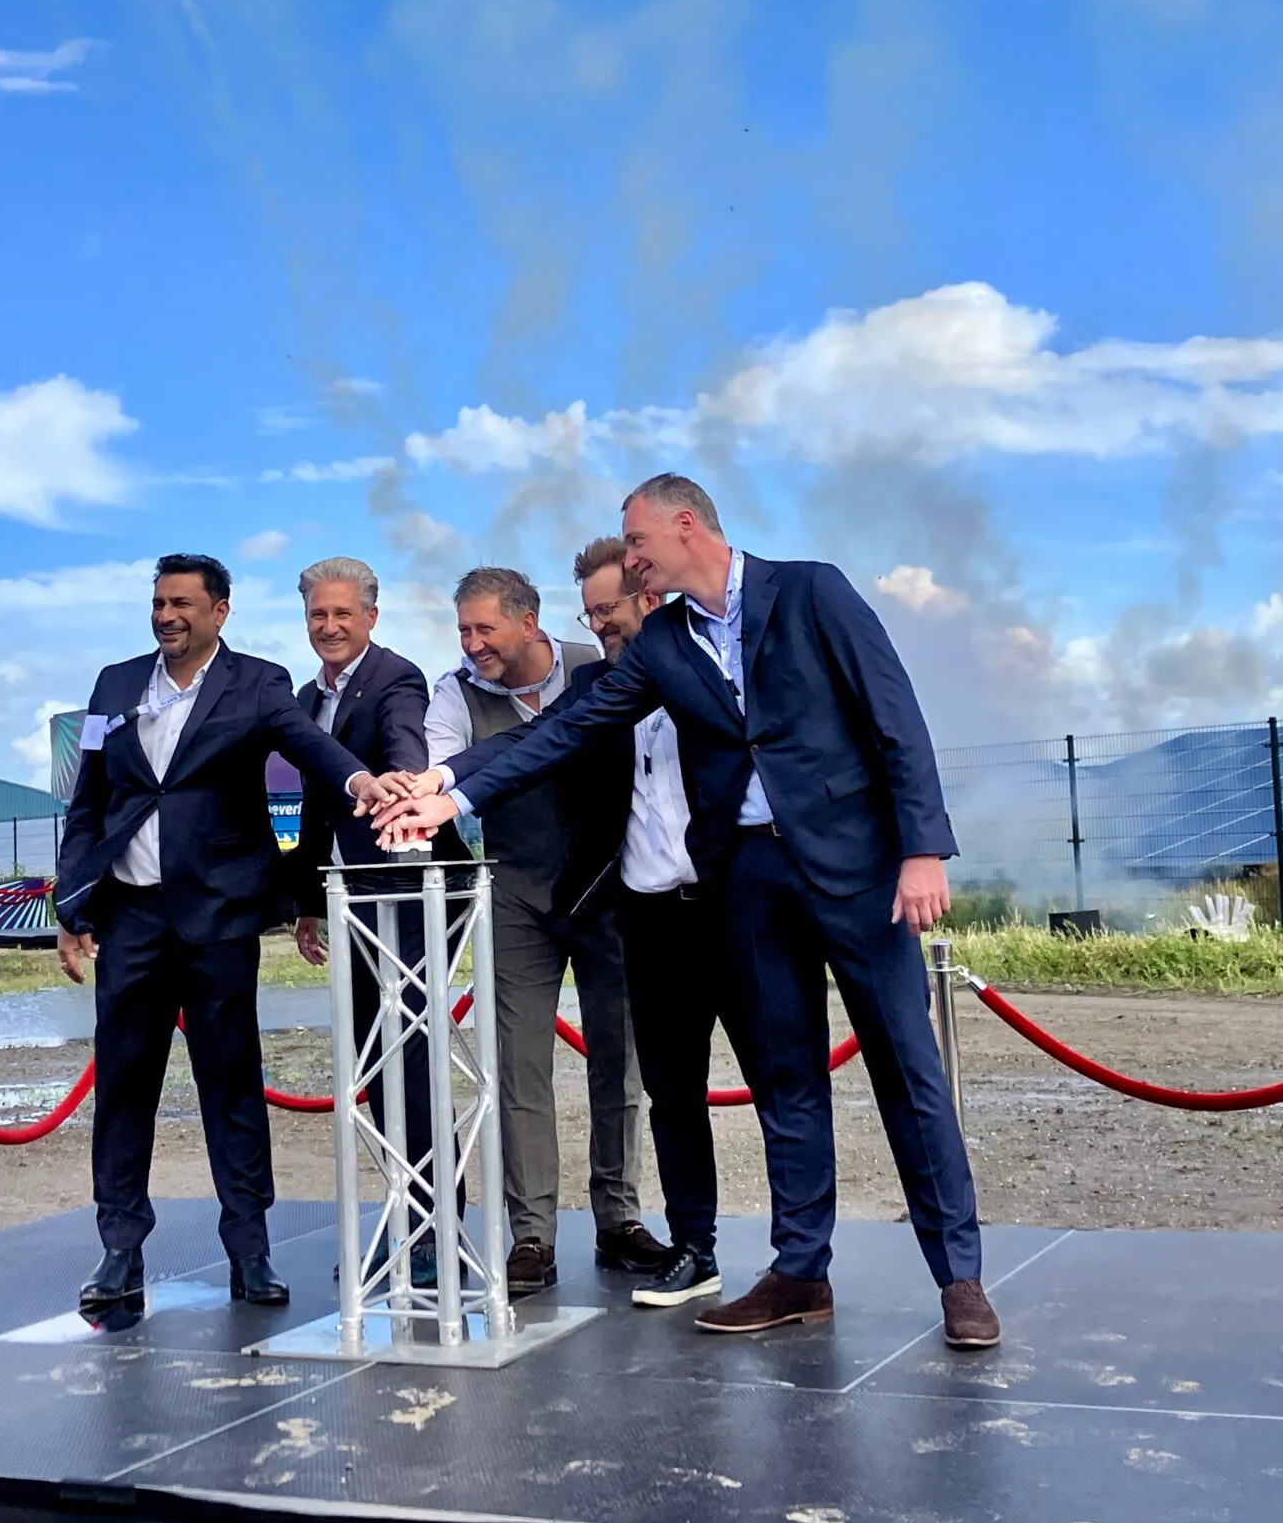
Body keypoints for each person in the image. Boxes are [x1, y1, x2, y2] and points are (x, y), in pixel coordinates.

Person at [378, 476, 998, 1347]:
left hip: (858, 874)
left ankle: (961, 1278)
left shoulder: (811, 589)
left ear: (684, 526)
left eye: (636, 543)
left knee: (908, 1073)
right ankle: (799, 1270)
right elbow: (570, 725)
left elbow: (893, 713)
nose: (630, 559)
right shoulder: (663, 640)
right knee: (787, 1082)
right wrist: (450, 787)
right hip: (749, 883)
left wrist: (923, 847)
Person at [55, 553, 385, 1313]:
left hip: (218, 919)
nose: (167, 615)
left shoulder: (259, 683)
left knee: (231, 1087)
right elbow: (90, 801)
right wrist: (72, 907)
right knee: (124, 1089)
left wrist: (358, 779)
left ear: (220, 611)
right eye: (158, 603)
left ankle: (250, 1250)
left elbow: (310, 746)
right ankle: (119, 1251)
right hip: (131, 918)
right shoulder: (114, 685)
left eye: (182, 603)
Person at [423, 566, 664, 1294]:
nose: (472, 645)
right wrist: (428, 785)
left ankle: (620, 1218)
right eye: (463, 631)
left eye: (484, 629)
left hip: (607, 893)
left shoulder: (601, 670)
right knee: (518, 1068)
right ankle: (531, 1235)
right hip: (514, 897)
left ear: (529, 623)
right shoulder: (454, 692)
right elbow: (440, 761)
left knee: (618, 1064)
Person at [569, 535, 757, 1311]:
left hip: (731, 904)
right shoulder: (594, 686)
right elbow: (545, 748)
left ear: (646, 599)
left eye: (606, 610)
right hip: (644, 916)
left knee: (778, 1082)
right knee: (672, 1092)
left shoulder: (711, 669)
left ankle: (801, 1259)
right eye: (587, 614)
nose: (599, 626)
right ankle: (694, 1248)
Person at [281, 556, 441, 1286]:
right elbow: (315, 801)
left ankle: (434, 1226)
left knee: (411, 1061)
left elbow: (405, 738)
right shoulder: (304, 693)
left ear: (371, 617)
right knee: (371, 1066)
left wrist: (404, 781)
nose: (330, 626)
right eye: (318, 614)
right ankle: (402, 1211)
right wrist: (307, 899)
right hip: (341, 896)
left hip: (401, 894)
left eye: (343, 613)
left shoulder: (395, 676)